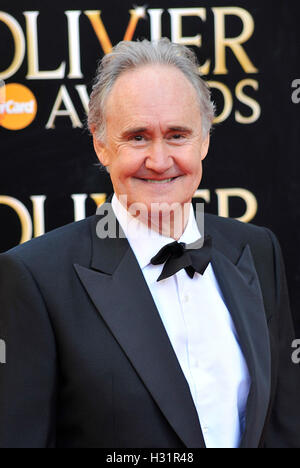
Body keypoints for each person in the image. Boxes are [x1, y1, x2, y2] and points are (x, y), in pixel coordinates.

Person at [0, 38, 299, 449]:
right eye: (138, 137)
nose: (159, 161)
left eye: (178, 135)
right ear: (101, 144)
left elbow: (284, 424)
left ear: (205, 140)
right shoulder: (35, 278)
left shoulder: (258, 250)